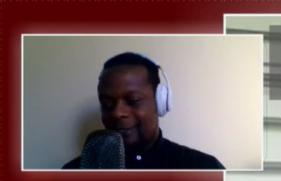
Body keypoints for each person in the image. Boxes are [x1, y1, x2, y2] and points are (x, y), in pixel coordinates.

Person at [63, 52, 224, 170]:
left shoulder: (204, 167)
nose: (117, 113)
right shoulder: (74, 171)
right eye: (107, 103)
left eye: (133, 100)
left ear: (160, 101)